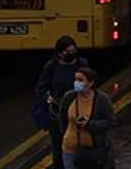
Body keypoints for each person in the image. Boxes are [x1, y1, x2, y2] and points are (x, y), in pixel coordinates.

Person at [35, 36, 90, 169]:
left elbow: (90, 84)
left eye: (73, 50)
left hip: (78, 111)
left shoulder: (81, 64)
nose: (72, 54)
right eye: (68, 52)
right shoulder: (51, 66)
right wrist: (47, 96)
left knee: (79, 146)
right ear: (60, 53)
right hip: (57, 113)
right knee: (58, 147)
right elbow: (41, 87)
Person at [57, 66, 116, 169]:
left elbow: (111, 121)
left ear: (90, 83)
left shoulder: (102, 100)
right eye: (75, 79)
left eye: (80, 80)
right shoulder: (69, 97)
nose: (76, 83)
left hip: (92, 152)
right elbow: (62, 118)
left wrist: (89, 124)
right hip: (70, 149)